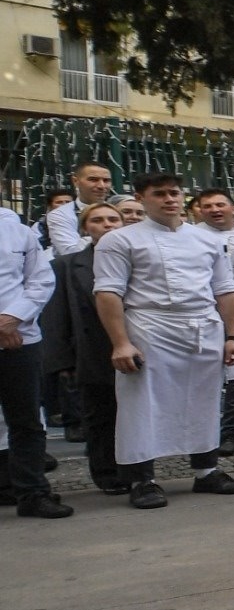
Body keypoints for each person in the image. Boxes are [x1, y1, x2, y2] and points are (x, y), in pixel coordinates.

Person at [90, 173, 234, 508]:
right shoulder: (120, 240)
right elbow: (107, 292)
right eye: (159, 194)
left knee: (204, 400)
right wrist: (121, 342)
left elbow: (226, 289)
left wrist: (232, 336)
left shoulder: (206, 239)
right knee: (141, 403)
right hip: (149, 326)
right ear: (141, 198)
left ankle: (207, 470)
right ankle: (141, 479)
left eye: (174, 193)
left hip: (202, 327)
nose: (168, 200)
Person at [41, 203, 127, 491]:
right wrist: (63, 362)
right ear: (84, 228)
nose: (108, 224)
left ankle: (137, 468)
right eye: (98, 220)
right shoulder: (65, 266)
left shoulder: (139, 259)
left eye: (114, 219)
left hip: (140, 346)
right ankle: (107, 473)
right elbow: (56, 317)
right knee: (100, 415)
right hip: (92, 351)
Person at [0, 202, 69, 518]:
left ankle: (32, 493)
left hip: (19, 340)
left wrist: (12, 317)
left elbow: (40, 280)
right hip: (8, 333)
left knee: (26, 419)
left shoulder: (16, 228)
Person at [187, 186, 234, 456]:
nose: (215, 210)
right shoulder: (191, 237)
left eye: (220, 205)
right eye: (208, 207)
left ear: (233, 207)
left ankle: (231, 432)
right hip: (204, 314)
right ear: (199, 211)